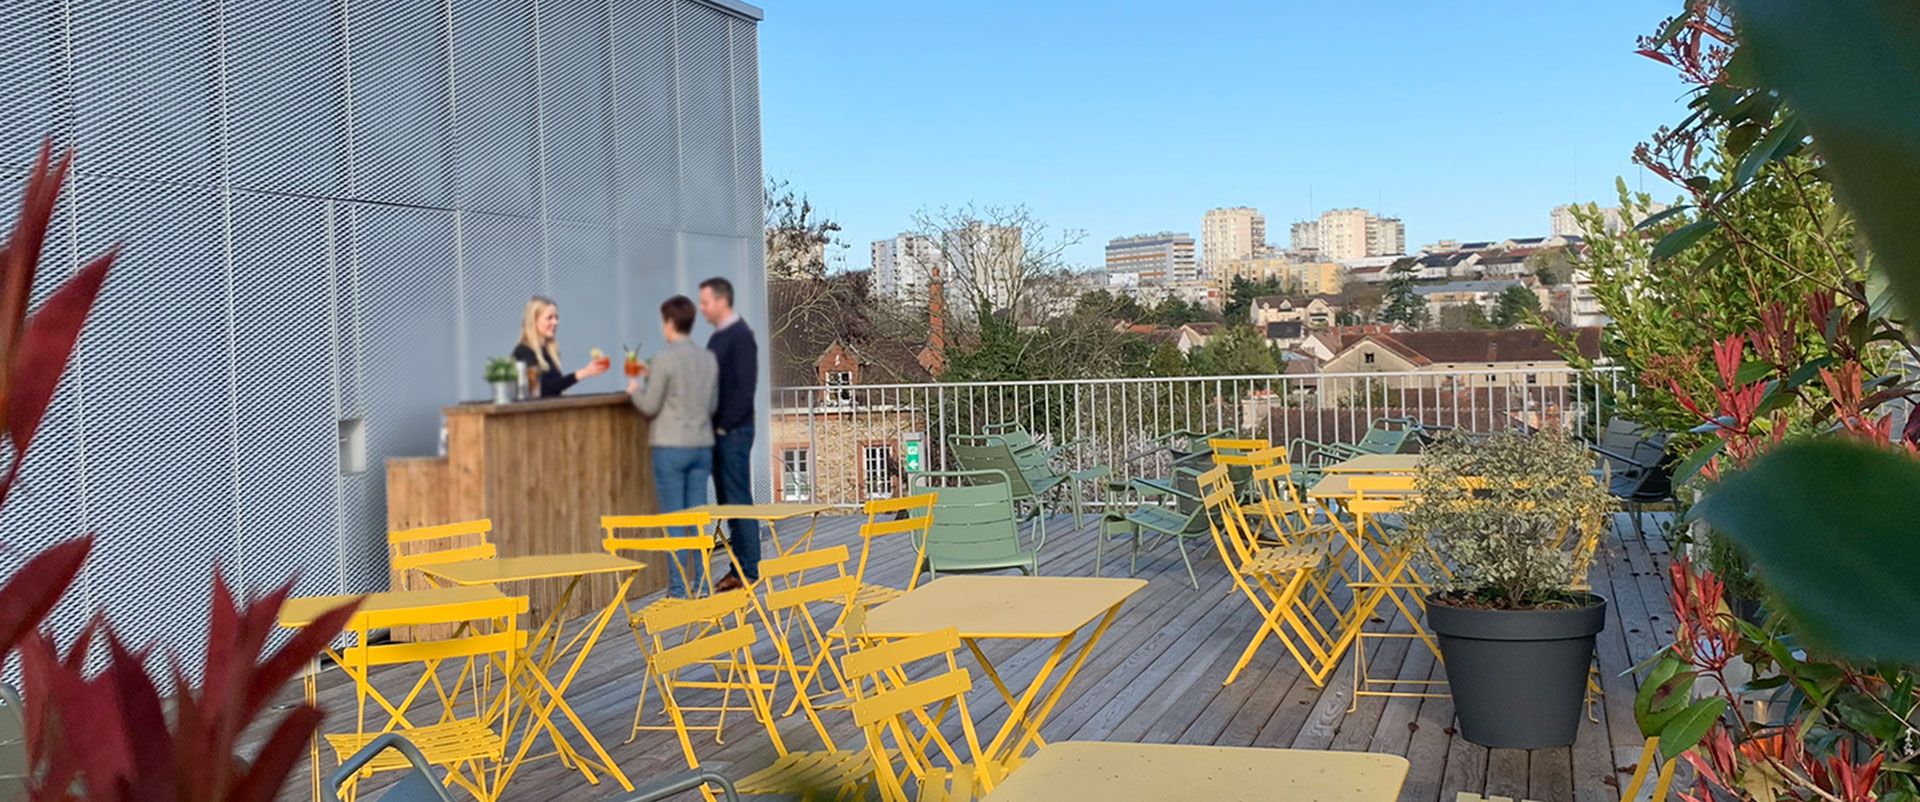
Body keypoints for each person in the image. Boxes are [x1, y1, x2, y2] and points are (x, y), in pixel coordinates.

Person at [628, 295, 719, 598]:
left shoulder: (664, 360)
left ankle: (679, 589)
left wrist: (635, 389)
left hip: (670, 447)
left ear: (668, 323)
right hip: (701, 445)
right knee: (696, 518)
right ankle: (704, 583)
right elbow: (714, 404)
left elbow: (650, 405)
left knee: (675, 520)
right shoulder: (708, 359)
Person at [700, 277, 760, 592]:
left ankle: (747, 571)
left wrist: (724, 425)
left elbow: (744, 388)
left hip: (733, 431)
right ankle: (738, 566)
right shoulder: (719, 338)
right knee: (728, 502)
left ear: (722, 301)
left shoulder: (740, 337)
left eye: (706, 302)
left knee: (738, 501)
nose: (702, 308)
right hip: (720, 431)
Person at [513, 296, 607, 397]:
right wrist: (584, 372)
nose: (555, 322)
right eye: (549, 318)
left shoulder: (550, 351)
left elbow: (555, 387)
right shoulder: (523, 351)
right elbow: (544, 388)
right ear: (534, 321)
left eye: (556, 317)